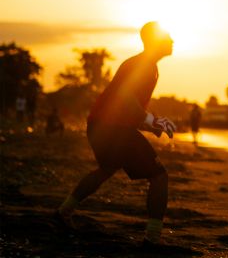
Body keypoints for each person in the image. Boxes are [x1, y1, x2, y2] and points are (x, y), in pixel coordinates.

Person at [56, 22, 177, 246]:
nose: (172, 40)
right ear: (154, 42)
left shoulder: (146, 65)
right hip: (112, 128)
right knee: (160, 176)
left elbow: (123, 106)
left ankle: (64, 211)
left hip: (100, 125)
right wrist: (151, 119)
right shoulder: (143, 65)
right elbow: (124, 98)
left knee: (107, 169)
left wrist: (151, 124)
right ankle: (153, 238)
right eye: (168, 36)